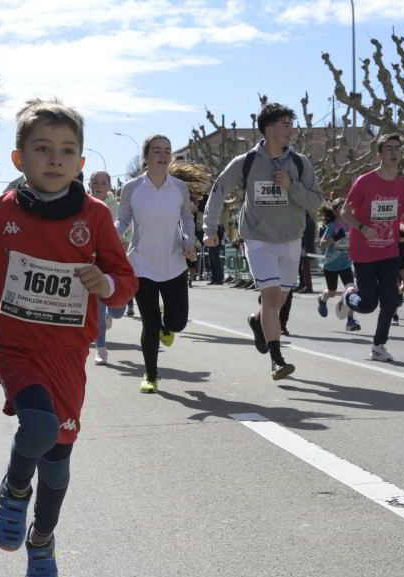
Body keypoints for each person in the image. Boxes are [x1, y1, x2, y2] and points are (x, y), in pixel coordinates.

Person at [0, 98, 137, 577]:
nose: (55, 159)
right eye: (43, 149)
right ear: (20, 158)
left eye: (67, 151)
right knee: (39, 426)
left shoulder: (96, 216)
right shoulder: (0, 212)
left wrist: (104, 284)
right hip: (15, 346)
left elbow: (125, 278)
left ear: (81, 163)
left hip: (67, 354)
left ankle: (42, 539)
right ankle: (14, 488)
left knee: (59, 456)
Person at [204, 102, 323, 380]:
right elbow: (219, 190)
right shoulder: (245, 162)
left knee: (279, 300)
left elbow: (315, 201)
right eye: (285, 125)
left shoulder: (299, 163)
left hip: (291, 238)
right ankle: (277, 359)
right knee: (270, 297)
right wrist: (210, 229)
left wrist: (291, 187)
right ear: (269, 129)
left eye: (291, 125)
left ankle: (258, 321)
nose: (290, 130)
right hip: (258, 238)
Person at [117, 135, 196, 393]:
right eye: (157, 151)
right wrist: (112, 233)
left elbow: (186, 219)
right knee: (149, 324)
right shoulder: (132, 188)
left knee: (178, 323)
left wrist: (188, 241)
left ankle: (167, 327)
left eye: (167, 151)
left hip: (173, 262)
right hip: (142, 264)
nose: (163, 155)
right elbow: (124, 220)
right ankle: (150, 375)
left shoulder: (179, 188)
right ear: (146, 157)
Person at [334, 134, 404, 361]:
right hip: (363, 251)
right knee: (368, 304)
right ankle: (349, 295)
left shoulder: (402, 185)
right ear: (379, 154)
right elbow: (344, 213)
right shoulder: (364, 181)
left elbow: (397, 217)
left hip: (389, 250)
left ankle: (378, 346)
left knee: (390, 301)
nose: (394, 152)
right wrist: (362, 227)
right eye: (389, 148)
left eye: (398, 148)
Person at [88, 170, 126, 364]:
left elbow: (127, 229)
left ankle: (113, 314)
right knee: (98, 309)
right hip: (94, 262)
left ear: (110, 186)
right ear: (90, 185)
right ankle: (101, 349)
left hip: (114, 261)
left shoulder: (117, 207)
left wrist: (123, 241)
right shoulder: (84, 205)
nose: (100, 186)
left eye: (104, 182)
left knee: (118, 311)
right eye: (96, 182)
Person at [316, 201, 361, 331]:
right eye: (341, 207)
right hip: (331, 265)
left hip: (346, 264)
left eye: (346, 206)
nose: (345, 209)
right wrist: (336, 237)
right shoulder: (331, 226)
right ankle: (322, 299)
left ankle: (351, 321)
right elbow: (322, 244)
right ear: (336, 211)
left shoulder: (351, 225)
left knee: (352, 292)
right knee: (332, 292)